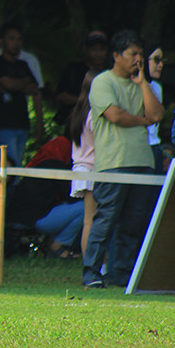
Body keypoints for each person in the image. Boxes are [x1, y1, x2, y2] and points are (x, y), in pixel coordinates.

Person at [81, 30, 163, 289]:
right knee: (106, 220)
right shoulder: (103, 82)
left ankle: (121, 275)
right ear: (116, 56)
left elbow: (157, 115)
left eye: (140, 54)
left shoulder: (143, 84)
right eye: (133, 54)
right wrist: (142, 121)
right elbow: (115, 115)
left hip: (143, 161)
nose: (138, 59)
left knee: (133, 223)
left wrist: (142, 84)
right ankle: (91, 273)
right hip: (114, 162)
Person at [0, 24, 45, 168]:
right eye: (11, 39)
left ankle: (8, 190)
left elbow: (35, 89)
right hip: (0, 122)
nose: (15, 43)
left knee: (15, 167)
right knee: (8, 166)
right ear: (1, 41)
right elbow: (6, 84)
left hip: (21, 122)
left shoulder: (25, 63)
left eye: (18, 39)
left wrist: (39, 122)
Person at [53, 31, 108, 131]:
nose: (98, 53)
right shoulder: (73, 70)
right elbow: (61, 96)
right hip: (76, 126)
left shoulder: (110, 73)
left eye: (102, 49)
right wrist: (88, 102)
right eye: (94, 49)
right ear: (86, 50)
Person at [69, 70, 98, 256]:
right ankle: (93, 266)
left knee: (90, 220)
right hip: (92, 169)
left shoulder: (79, 111)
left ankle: (92, 265)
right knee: (92, 220)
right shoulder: (93, 114)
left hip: (81, 168)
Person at [144, 45, 167, 172]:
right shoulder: (132, 86)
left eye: (162, 61)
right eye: (156, 60)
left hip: (155, 145)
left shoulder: (157, 87)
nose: (160, 65)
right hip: (140, 148)